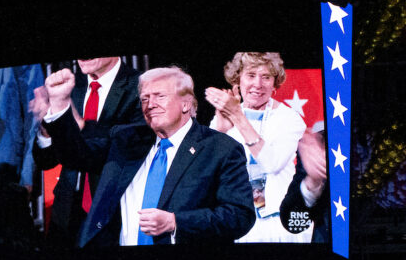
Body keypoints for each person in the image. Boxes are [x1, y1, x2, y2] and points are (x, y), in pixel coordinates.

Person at [36, 66, 255, 249]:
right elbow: (76, 156)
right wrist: (60, 104)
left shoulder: (220, 148)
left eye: (160, 96)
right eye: (144, 99)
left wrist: (176, 222)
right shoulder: (126, 139)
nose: (150, 105)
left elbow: (239, 215)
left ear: (186, 103)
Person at [33, 57, 144, 246]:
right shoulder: (70, 85)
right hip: (67, 211)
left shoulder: (141, 85)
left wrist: (74, 121)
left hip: (113, 211)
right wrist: (46, 127)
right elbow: (46, 160)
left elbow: (123, 146)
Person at [205, 52, 307, 244]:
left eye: (266, 77)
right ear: (238, 80)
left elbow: (272, 164)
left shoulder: (289, 119)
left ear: (274, 82)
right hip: (243, 225)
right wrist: (220, 129)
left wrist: (238, 117)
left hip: (282, 225)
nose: (258, 84)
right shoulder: (227, 115)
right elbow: (206, 171)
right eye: (251, 75)